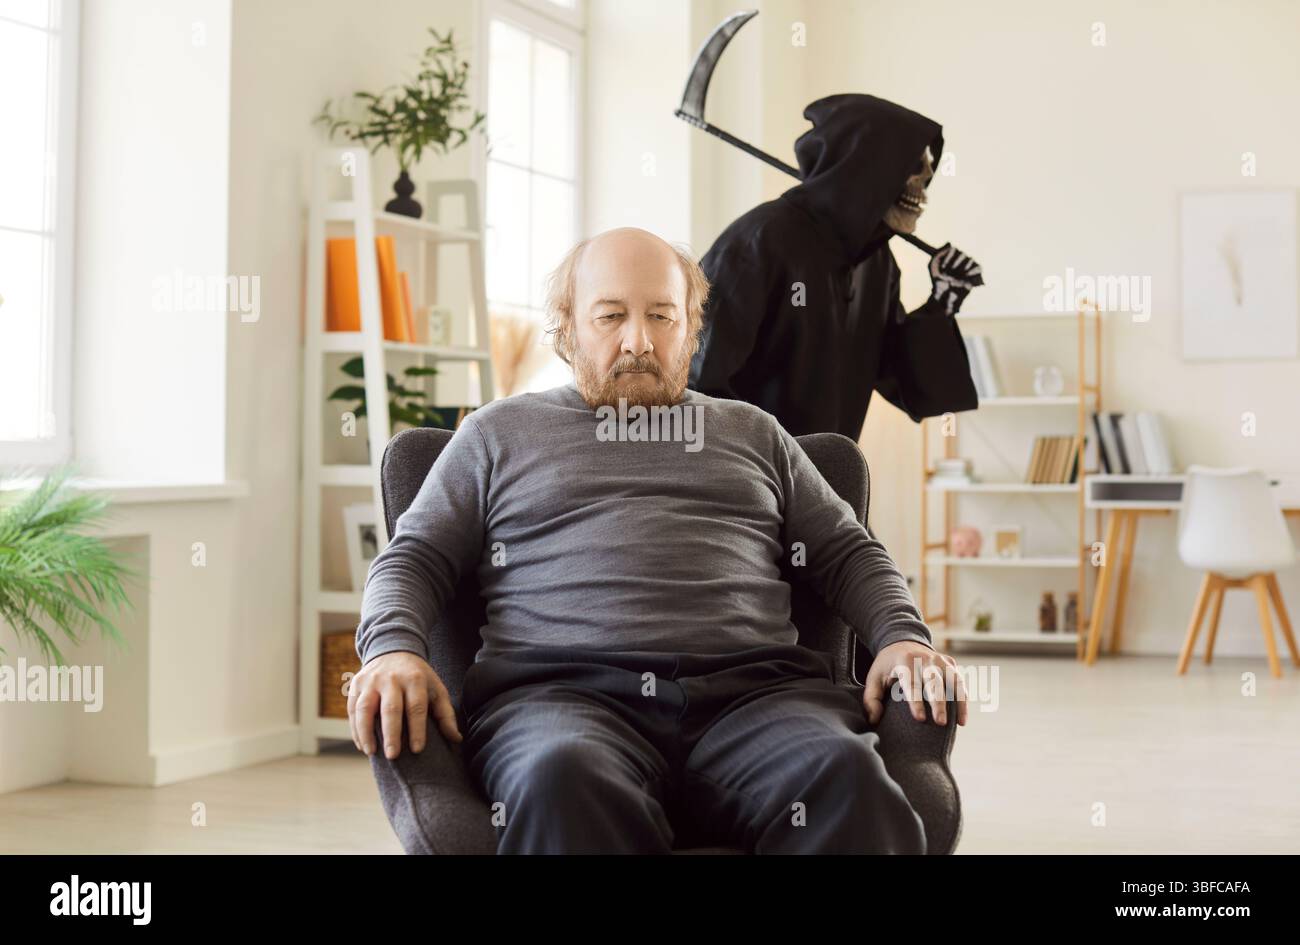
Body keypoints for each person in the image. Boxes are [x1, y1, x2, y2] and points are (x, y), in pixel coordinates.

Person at [350, 227, 967, 853]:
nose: (638, 342)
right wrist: (392, 648)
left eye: (662, 316)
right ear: (566, 326)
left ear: (691, 326)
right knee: (562, 785)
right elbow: (414, 557)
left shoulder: (754, 434)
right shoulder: (496, 435)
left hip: (758, 700)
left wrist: (901, 636)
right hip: (560, 700)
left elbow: (847, 552)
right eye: (611, 315)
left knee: (850, 784)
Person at [689, 93, 983, 439]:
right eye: (914, 166)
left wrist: (941, 304)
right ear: (865, 167)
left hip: (828, 486)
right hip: (755, 483)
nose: (926, 181)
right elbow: (699, 383)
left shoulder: (877, 263)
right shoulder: (759, 242)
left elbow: (907, 386)